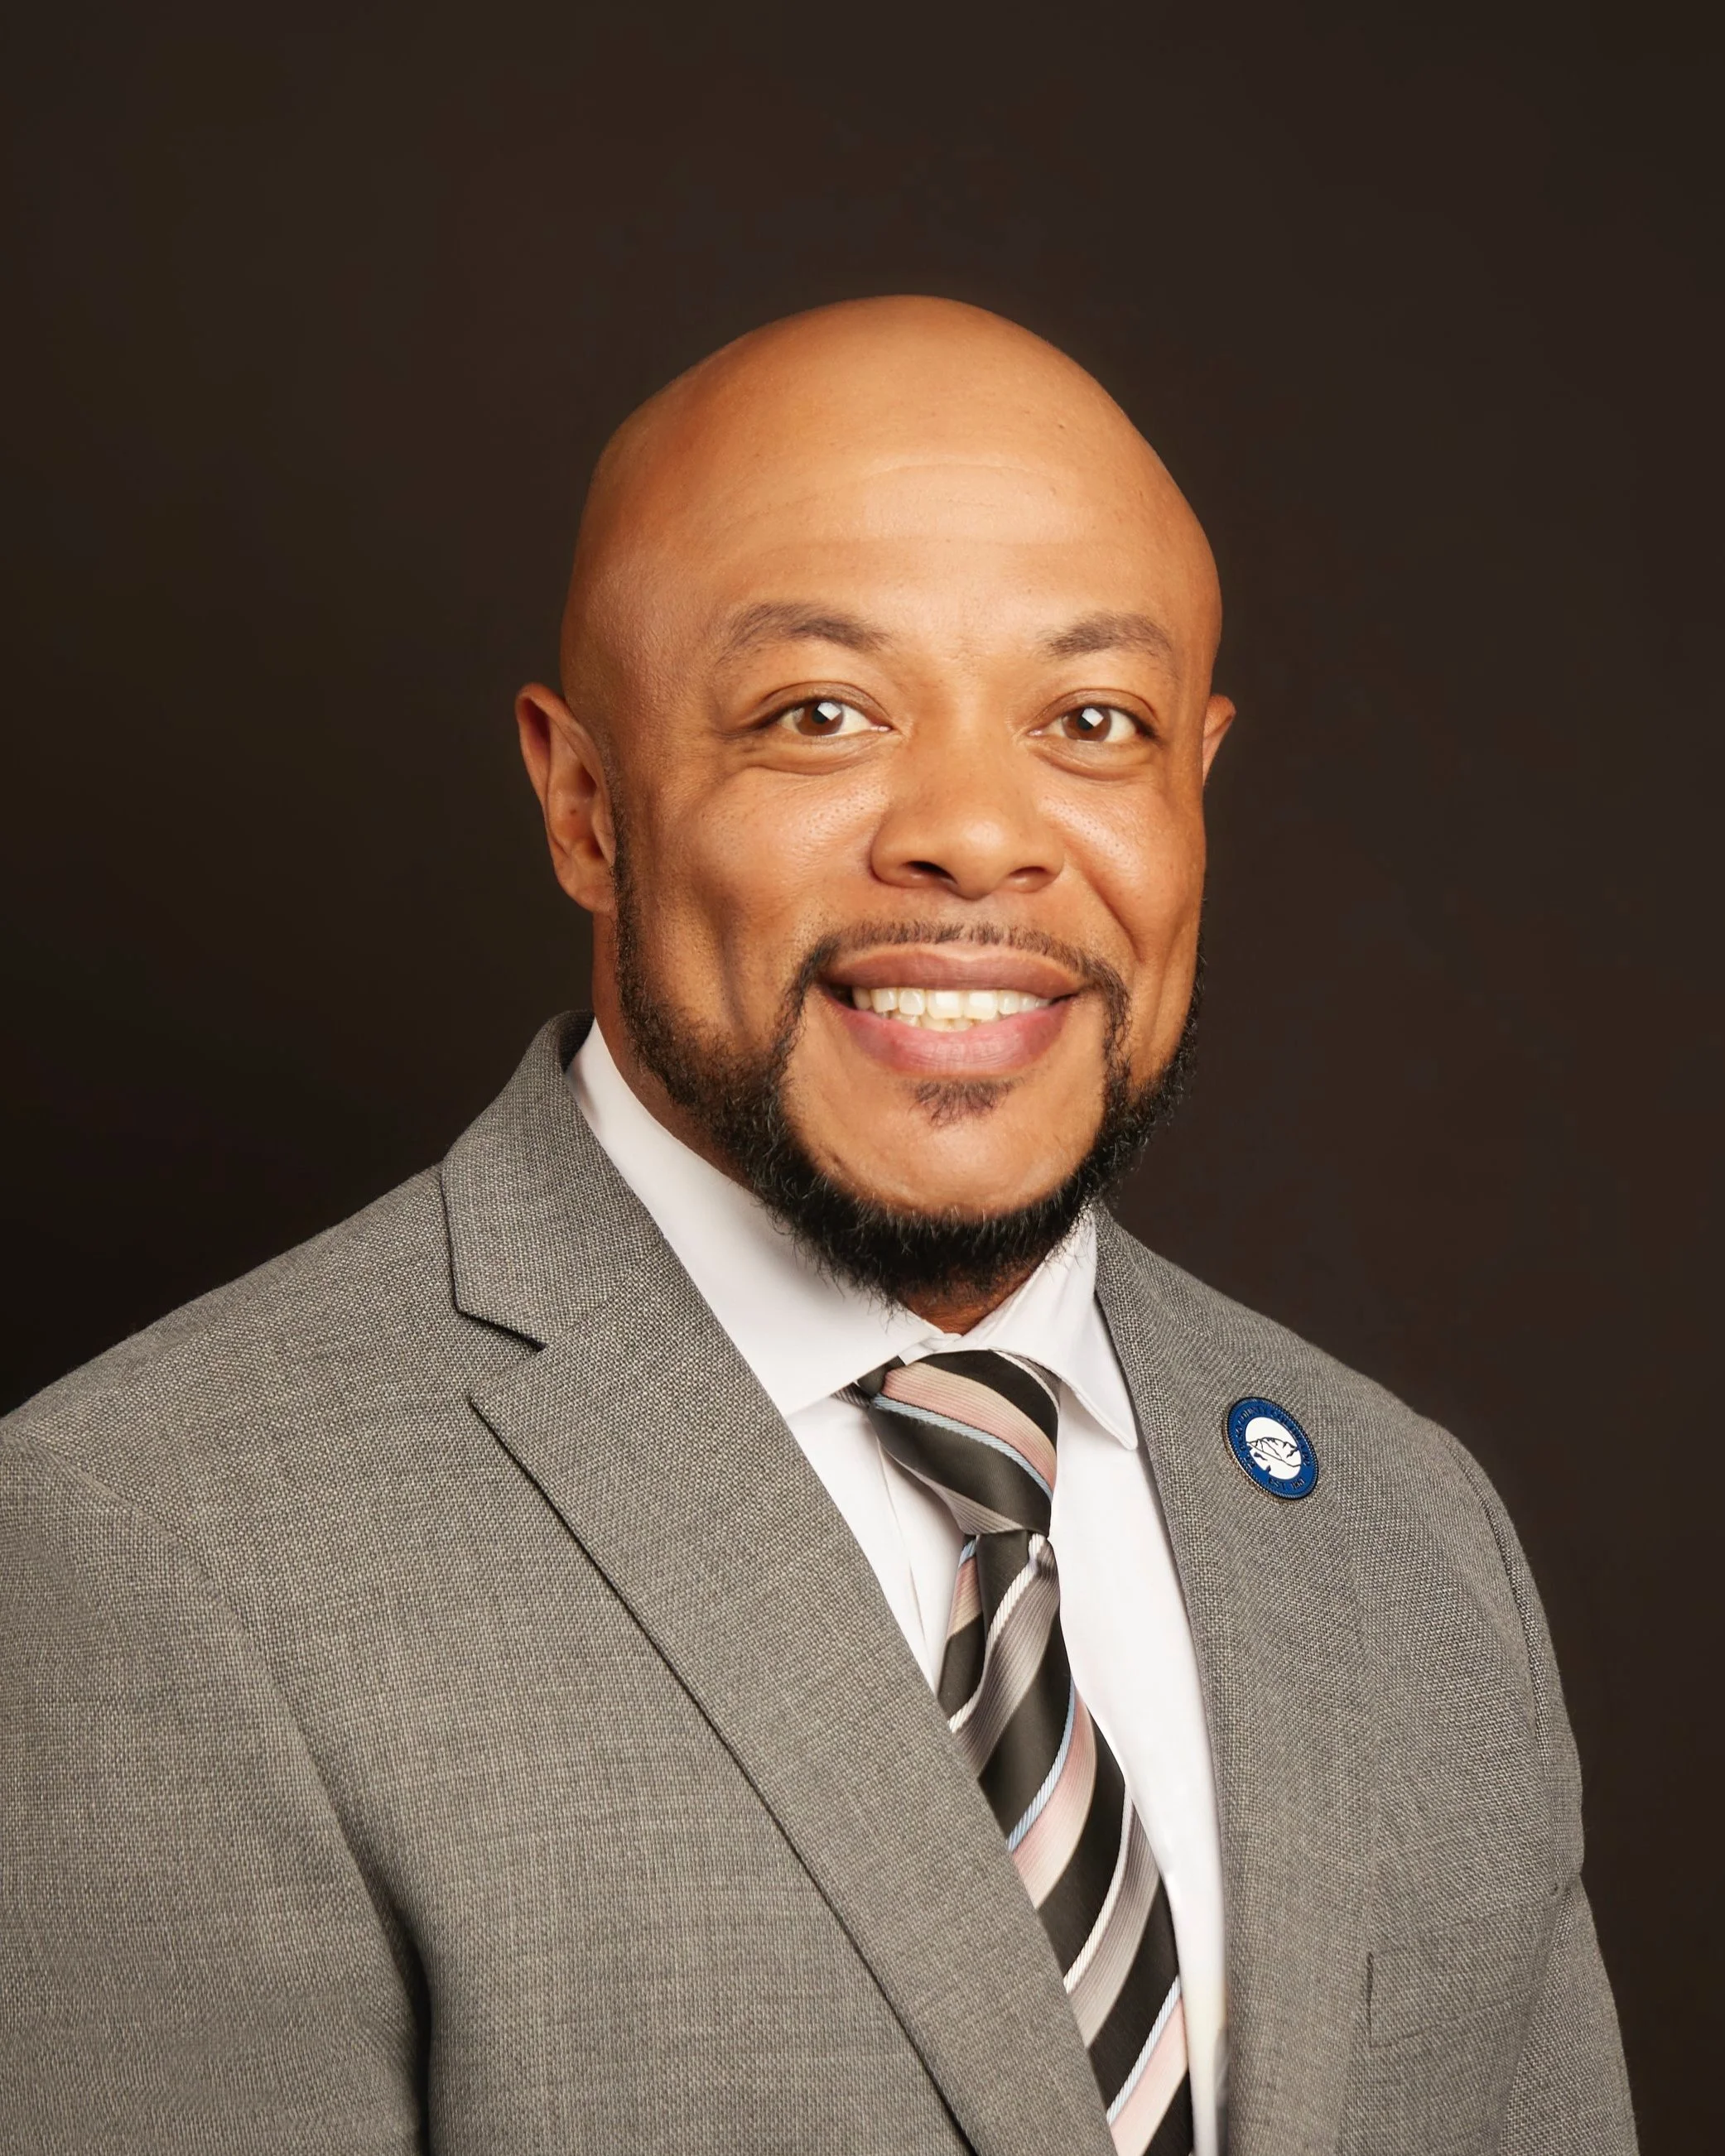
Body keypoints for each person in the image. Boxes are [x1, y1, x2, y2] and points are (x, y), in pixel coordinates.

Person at [0, 297, 1635, 2155]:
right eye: (821, 714)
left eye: (1092, 721)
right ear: (586, 804)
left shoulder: (1411, 1526)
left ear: (1197, 785)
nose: (974, 834)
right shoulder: (150, 1550)